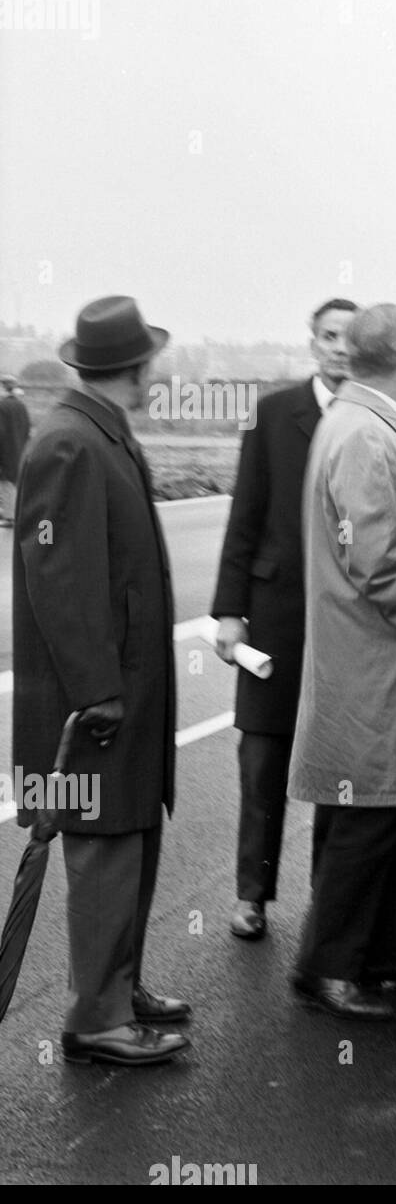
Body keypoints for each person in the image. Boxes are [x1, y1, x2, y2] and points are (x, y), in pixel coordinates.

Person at [12, 296, 189, 1065]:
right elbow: (59, 580)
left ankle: (120, 986)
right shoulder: (70, 444)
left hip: (123, 694)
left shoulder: (93, 432)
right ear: (137, 366)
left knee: (131, 838)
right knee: (103, 849)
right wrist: (95, 691)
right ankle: (95, 1020)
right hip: (94, 705)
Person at [287, 303, 396, 1022]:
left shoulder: (367, 419)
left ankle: (388, 953)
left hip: (382, 662)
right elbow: (380, 560)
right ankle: (327, 967)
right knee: (367, 818)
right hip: (380, 661)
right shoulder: (365, 433)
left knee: (395, 811)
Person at [210, 297, 357, 941]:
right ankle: (252, 896)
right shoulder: (273, 415)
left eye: (350, 339)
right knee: (263, 761)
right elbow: (245, 514)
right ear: (312, 342)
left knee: (338, 762)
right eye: (329, 336)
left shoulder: (384, 417)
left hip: (351, 627)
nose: (340, 349)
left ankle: (330, 896)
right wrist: (229, 613)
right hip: (275, 620)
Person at [0, 373, 32, 526]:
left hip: (6, 448)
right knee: (16, 481)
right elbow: (27, 428)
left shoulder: (2, 406)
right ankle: (15, 513)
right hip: (20, 447)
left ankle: (9, 516)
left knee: (6, 482)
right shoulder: (21, 405)